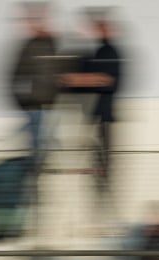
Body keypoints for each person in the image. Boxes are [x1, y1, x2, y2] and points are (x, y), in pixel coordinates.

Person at [58, 7, 123, 197]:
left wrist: (78, 79)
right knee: (90, 168)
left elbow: (107, 80)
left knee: (103, 167)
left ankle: (104, 199)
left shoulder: (109, 51)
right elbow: (66, 82)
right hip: (88, 118)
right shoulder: (89, 54)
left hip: (103, 118)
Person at [8, 1, 59, 172]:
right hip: (35, 107)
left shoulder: (55, 44)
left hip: (52, 107)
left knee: (45, 147)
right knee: (37, 151)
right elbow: (15, 76)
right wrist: (23, 102)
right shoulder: (28, 47)